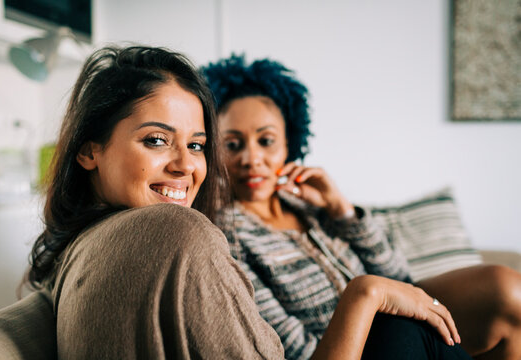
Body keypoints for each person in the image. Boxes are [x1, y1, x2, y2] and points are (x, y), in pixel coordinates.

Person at [202, 55, 521, 360]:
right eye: (232, 144)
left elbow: (400, 277)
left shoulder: (312, 209)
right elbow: (295, 351)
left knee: (505, 288)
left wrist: (342, 210)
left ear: (289, 144)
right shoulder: (226, 237)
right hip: (356, 348)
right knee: (404, 328)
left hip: (401, 335)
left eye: (266, 140)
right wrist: (367, 298)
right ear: (215, 150)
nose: (251, 158)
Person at [25, 46, 284, 359]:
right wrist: (360, 295)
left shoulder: (81, 250)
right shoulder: (178, 232)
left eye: (196, 145)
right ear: (88, 151)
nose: (186, 165)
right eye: (156, 140)